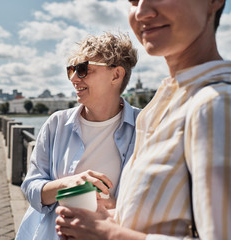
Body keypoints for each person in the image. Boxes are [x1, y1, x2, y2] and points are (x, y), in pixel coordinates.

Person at [55, 0, 230, 239]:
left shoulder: (215, 104)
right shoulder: (169, 101)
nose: (142, 12)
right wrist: (111, 218)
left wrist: (107, 233)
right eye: (133, 0)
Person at [16, 32, 140, 240]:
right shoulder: (56, 124)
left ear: (116, 75)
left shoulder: (146, 126)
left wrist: (115, 207)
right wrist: (67, 185)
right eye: (71, 70)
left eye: (83, 69)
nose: (74, 78)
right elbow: (30, 187)